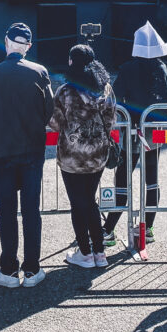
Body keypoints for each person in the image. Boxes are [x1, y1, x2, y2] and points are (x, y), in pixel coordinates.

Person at [0, 22, 53, 288]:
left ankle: (8, 269)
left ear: (6, 41)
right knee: (31, 210)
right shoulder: (39, 72)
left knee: (6, 211)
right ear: (28, 47)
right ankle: (32, 269)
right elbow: (48, 111)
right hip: (31, 149)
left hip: (1, 151)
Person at [102, 22, 167, 248]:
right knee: (152, 178)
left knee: (123, 178)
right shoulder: (161, 68)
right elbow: (165, 105)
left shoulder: (128, 69)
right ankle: (148, 228)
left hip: (130, 130)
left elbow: (115, 98)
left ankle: (109, 229)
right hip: (153, 131)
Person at [48, 45, 116, 269]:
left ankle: (85, 253)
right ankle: (100, 252)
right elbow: (110, 120)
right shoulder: (105, 89)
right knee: (90, 201)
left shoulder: (65, 92)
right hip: (98, 155)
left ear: (71, 63)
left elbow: (56, 123)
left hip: (72, 157)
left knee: (78, 204)